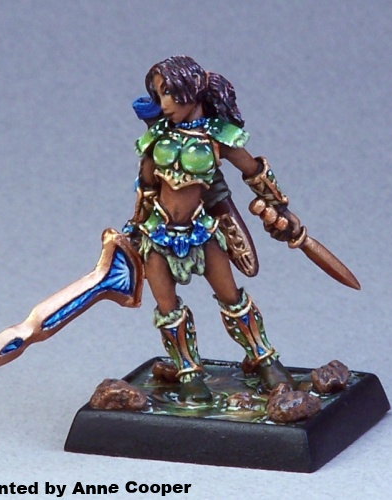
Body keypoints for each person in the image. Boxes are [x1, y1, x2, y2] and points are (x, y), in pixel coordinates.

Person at [125, 55, 302, 402]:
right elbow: (146, 188)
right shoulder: (156, 137)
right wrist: (135, 227)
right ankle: (189, 374)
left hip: (202, 231)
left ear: (190, 90)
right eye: (159, 94)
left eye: (169, 93)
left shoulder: (217, 135)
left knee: (231, 297)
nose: (164, 104)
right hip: (158, 235)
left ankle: (264, 359)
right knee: (167, 308)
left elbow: (253, 171)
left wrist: (279, 208)